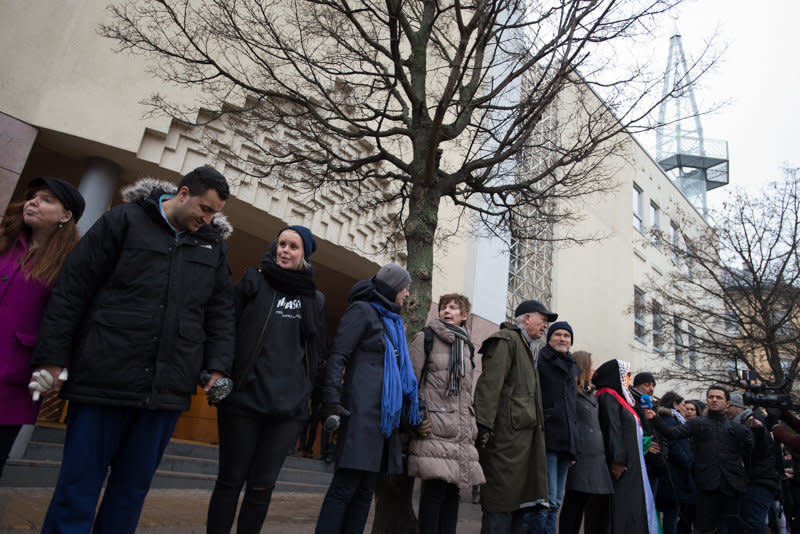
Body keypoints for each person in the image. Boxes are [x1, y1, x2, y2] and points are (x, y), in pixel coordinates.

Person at [30, 168, 236, 534]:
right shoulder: (123, 221)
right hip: (103, 379)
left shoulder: (212, 246)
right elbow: (73, 289)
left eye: (214, 213)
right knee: (78, 487)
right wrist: (51, 358)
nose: (207, 219)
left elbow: (220, 311)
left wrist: (218, 365)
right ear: (183, 192)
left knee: (131, 492)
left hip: (165, 391)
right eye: (204, 208)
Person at [206, 225, 327, 534]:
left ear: (305, 255)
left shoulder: (314, 299)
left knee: (262, 488)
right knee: (230, 481)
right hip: (243, 400)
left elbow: (316, 351)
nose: (284, 250)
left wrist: (312, 394)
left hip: (287, 409)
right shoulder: (253, 282)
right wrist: (217, 370)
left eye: (293, 246)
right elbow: (224, 328)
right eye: (281, 244)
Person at [315, 264, 421, 534]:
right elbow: (338, 355)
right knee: (345, 487)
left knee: (364, 492)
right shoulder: (363, 311)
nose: (407, 293)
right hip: (360, 412)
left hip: (384, 419)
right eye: (405, 287)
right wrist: (330, 401)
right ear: (393, 286)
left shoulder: (394, 322)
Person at [0, 177, 84, 477]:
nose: (33, 202)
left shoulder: (71, 265)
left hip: (13, 372)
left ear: (65, 216)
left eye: (46, 199)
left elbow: (72, 318)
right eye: (33, 196)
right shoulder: (5, 242)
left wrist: (59, 366)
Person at [473, 299, 555, 534]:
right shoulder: (506, 341)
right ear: (526, 318)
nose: (545, 326)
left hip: (520, 446)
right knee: (500, 508)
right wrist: (483, 425)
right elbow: (490, 386)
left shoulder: (526, 347)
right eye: (543, 319)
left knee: (517, 509)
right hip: (505, 445)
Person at [407, 293, 485, 534]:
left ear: (464, 316)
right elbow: (412, 379)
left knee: (453, 495)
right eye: (443, 307)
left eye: (453, 308)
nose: (447, 311)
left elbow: (465, 392)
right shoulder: (426, 337)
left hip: (460, 430)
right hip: (435, 426)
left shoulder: (467, 347)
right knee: (434, 492)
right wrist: (417, 415)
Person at [648, 385, 755, 534]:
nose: (714, 400)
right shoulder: (697, 423)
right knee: (705, 528)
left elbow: (751, 452)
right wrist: (655, 419)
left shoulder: (737, 428)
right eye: (711, 397)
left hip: (732, 486)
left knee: (735, 527)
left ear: (727, 403)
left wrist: (759, 430)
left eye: (719, 397)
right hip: (707, 486)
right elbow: (672, 434)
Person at [526, 321, 579, 534]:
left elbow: (572, 409)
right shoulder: (541, 360)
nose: (562, 339)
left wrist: (574, 446)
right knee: (544, 500)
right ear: (549, 338)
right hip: (546, 438)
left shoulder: (571, 366)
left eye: (567, 335)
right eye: (558, 334)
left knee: (556, 501)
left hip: (566, 442)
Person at [593, 359, 658, 534]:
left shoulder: (620, 397)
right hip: (622, 464)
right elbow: (613, 429)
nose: (628, 379)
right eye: (626, 375)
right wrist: (618, 459)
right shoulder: (607, 394)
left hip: (633, 462)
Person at [558, 350, 613, 534]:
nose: (594, 369)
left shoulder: (593, 394)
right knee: (573, 507)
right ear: (582, 367)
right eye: (591, 364)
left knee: (597, 510)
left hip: (597, 459)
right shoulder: (570, 392)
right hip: (580, 457)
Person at [725, 392, 780, 534]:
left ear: (739, 407)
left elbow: (761, 451)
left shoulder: (753, 422)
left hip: (759, 482)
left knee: (754, 523)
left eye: (729, 406)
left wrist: (758, 432)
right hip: (752, 481)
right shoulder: (738, 423)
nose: (726, 410)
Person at [655, 391, 695, 534]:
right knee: (671, 513)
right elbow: (674, 445)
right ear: (675, 405)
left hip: (676, 473)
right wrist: (687, 460)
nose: (685, 409)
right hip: (673, 474)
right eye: (683, 405)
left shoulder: (673, 420)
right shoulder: (670, 420)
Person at [630, 371, 668, 499]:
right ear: (637, 386)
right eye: (647, 385)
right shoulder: (632, 402)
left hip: (657, 461)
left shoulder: (653, 405)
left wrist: (663, 453)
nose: (651, 389)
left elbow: (662, 433)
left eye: (653, 385)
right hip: (643, 461)